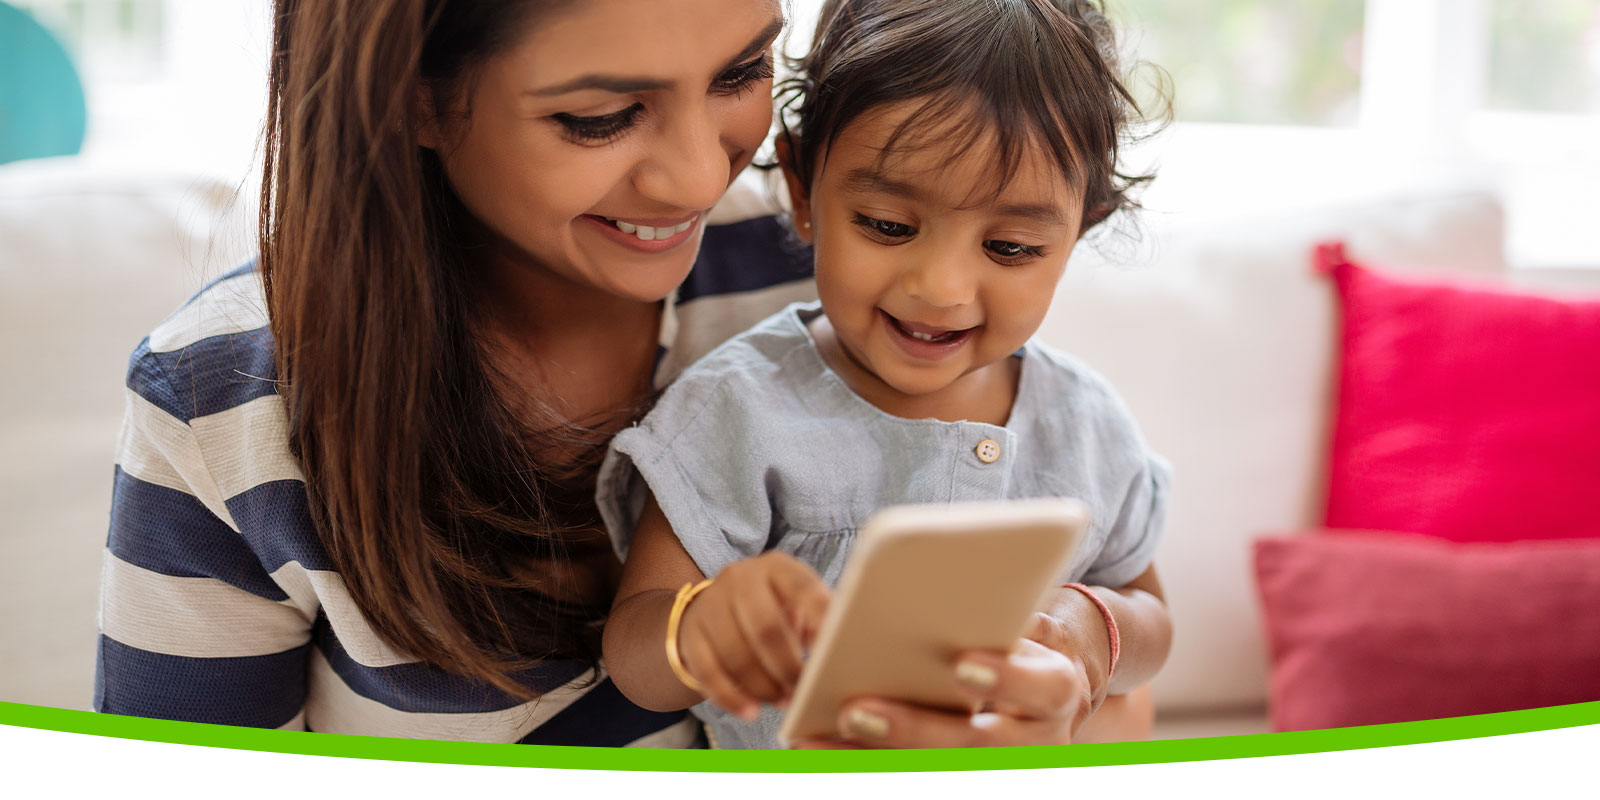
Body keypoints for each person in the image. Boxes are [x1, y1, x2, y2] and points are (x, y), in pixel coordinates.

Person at [97, 0, 1158, 746]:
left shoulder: (840, 262)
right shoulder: (222, 400)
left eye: (742, 72)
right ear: (412, 94)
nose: (702, 174)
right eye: (599, 116)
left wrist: (1079, 662)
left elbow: (1115, 621)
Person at [599, 0, 1173, 749]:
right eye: (889, 227)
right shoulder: (738, 406)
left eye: (1009, 248)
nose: (940, 288)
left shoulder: (1086, 423)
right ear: (804, 193)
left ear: (1078, 234)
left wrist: (1095, 632)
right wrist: (702, 624)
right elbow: (632, 652)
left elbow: (1152, 617)